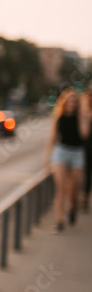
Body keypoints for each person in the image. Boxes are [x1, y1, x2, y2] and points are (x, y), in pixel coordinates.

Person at [45, 87, 91, 233]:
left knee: (75, 188)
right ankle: (59, 221)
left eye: (74, 100)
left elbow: (84, 135)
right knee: (61, 189)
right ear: (65, 101)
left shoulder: (81, 117)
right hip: (61, 152)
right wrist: (47, 159)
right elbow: (52, 139)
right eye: (70, 100)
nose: (72, 103)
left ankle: (73, 207)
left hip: (77, 152)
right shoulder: (59, 117)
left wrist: (83, 117)